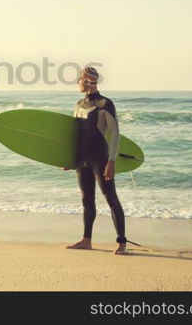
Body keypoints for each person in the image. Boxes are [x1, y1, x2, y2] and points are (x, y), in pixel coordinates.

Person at [65, 66, 135, 255]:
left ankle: (122, 243)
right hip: (82, 160)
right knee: (87, 200)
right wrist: (69, 160)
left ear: (88, 80)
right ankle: (86, 240)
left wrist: (111, 161)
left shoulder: (105, 104)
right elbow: (74, 135)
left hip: (100, 158)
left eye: (80, 79)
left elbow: (115, 135)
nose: (78, 83)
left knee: (110, 197)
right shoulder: (79, 104)